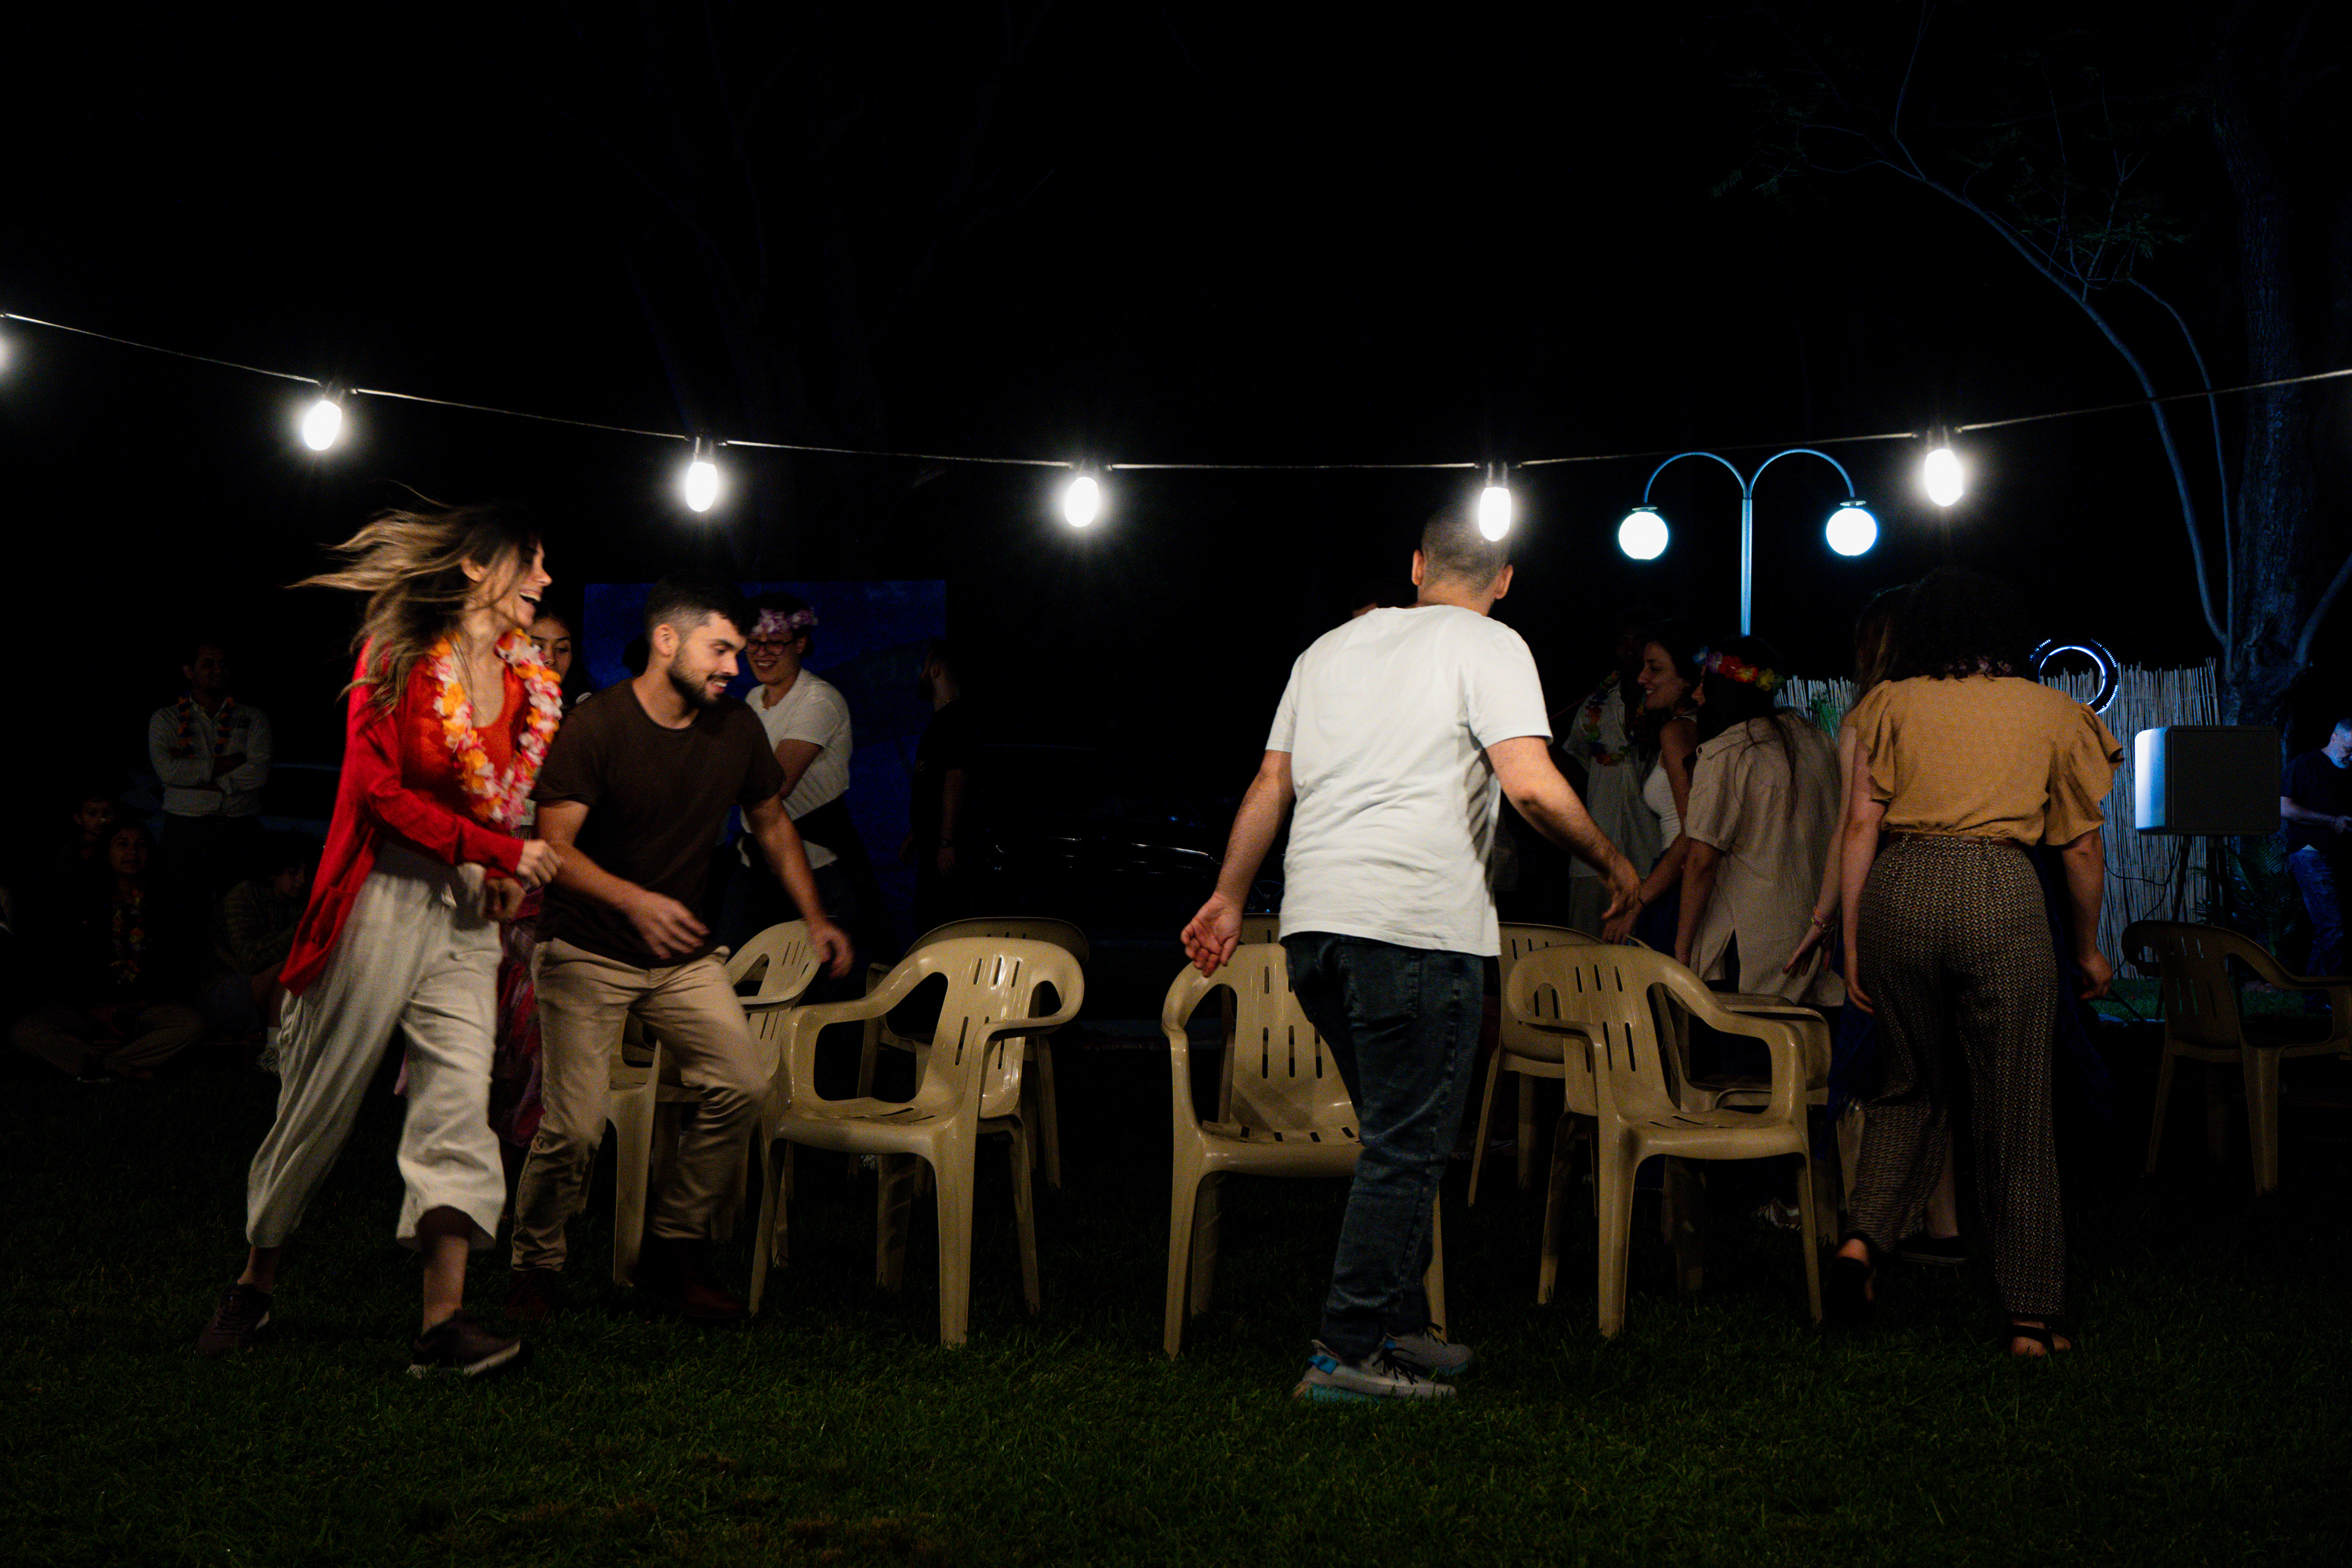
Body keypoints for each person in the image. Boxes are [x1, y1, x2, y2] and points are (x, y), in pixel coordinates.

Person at [1180, 503, 1641, 1403]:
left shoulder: (1327, 650)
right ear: (1504, 580)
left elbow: (1271, 781)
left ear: (1421, 565)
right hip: (1412, 929)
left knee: (1397, 1135)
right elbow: (1530, 784)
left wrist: (1230, 896)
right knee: (1410, 1144)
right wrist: (1616, 862)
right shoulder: (1490, 643)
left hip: (1315, 932)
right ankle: (1346, 1353)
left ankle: (1396, 1325)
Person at [193, 502, 565, 1378]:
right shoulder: (396, 655)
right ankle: (254, 1282)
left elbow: (498, 793)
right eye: (531, 561)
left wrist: (498, 864)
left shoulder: (526, 678)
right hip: (381, 895)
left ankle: (443, 1325)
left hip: (466, 910)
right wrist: (501, 851)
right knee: (320, 1095)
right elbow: (376, 793)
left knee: (458, 1103)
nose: (545, 580)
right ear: (475, 566)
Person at [507, 572, 853, 1325]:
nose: (735, 665)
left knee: (742, 1084)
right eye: (720, 649)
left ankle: (672, 1248)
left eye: (738, 649)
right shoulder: (597, 726)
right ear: (666, 641)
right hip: (586, 947)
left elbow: (771, 821)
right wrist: (637, 900)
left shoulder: (735, 728)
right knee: (573, 1127)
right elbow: (553, 847)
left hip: (679, 957)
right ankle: (536, 1263)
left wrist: (816, 917)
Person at [1829, 568, 2121, 1359]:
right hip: (1999, 887)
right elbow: (2081, 848)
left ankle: (1861, 1241)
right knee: (2016, 1109)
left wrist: (1854, 942)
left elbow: (1859, 827)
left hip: (1899, 889)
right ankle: (2030, 1318)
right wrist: (2088, 949)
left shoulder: (1890, 704)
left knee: (1909, 1085)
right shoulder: (2053, 712)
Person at [1675, 638, 1843, 1005]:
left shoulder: (1727, 754)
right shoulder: (1819, 742)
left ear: (1724, 689)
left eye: (1704, 683)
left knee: (1750, 1040)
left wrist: (1681, 954)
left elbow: (1701, 862)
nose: (1697, 694)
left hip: (1752, 945)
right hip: (1814, 935)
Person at [717, 592, 882, 959]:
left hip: (817, 865)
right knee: (731, 964)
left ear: (801, 643)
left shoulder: (818, 700)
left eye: (775, 642)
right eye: (754, 642)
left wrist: (699, 788)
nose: (762, 652)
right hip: (756, 861)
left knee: (818, 971)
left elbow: (775, 785)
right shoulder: (753, 699)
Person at [12, 818, 206, 1079]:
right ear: (107, 852)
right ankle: (121, 1069)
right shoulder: (82, 899)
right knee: (25, 1030)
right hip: (86, 1008)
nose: (132, 853)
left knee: (191, 1026)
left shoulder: (167, 903)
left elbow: (177, 964)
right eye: (122, 844)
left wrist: (141, 1003)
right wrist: (91, 1009)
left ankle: (103, 1066)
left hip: (143, 1009)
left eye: (141, 845)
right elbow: (62, 964)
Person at [1557, 608, 1663, 933]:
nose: (1630, 651)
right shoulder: (1596, 705)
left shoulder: (1665, 707)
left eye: (1639, 643)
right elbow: (1577, 768)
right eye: (1623, 643)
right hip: (1595, 860)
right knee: (1586, 949)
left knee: (1641, 953)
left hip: (1649, 854)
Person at [148, 638, 273, 908]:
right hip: (185, 832)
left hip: (239, 830)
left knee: (240, 911)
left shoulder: (253, 718)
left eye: (224, 664)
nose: (218, 670)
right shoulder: (166, 719)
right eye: (208, 664)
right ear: (188, 671)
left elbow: (259, 772)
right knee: (184, 911)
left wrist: (199, 780)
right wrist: (232, 762)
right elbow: (169, 771)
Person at [1602, 622, 1704, 948]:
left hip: (1677, 877)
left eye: (1655, 669)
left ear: (1687, 678)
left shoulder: (1677, 733)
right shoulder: (1693, 727)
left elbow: (1693, 831)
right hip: (1678, 874)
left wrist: (1639, 902)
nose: (1641, 677)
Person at [200, 833, 315, 1046]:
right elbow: (250, 959)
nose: (302, 880)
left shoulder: (299, 902)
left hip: (260, 989)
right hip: (223, 990)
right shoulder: (244, 896)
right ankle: (274, 1048)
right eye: (293, 872)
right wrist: (300, 930)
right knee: (288, 967)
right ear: (274, 872)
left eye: (307, 873)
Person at [906, 638, 974, 935]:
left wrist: (946, 842)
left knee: (939, 927)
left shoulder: (954, 720)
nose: (922, 674)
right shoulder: (943, 721)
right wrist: (917, 833)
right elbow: (933, 785)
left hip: (943, 850)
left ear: (935, 670)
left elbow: (955, 779)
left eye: (925, 667)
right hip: (933, 844)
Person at [2278, 718, 2352, 978]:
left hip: (2340, 856)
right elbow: (2285, 808)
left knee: (2331, 928)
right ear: (2334, 738)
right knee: (2332, 926)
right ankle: (2330, 993)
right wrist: (2331, 821)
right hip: (2311, 854)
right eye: (2348, 750)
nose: (2351, 757)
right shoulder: (2305, 765)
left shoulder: (2348, 771)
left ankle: (2317, 993)